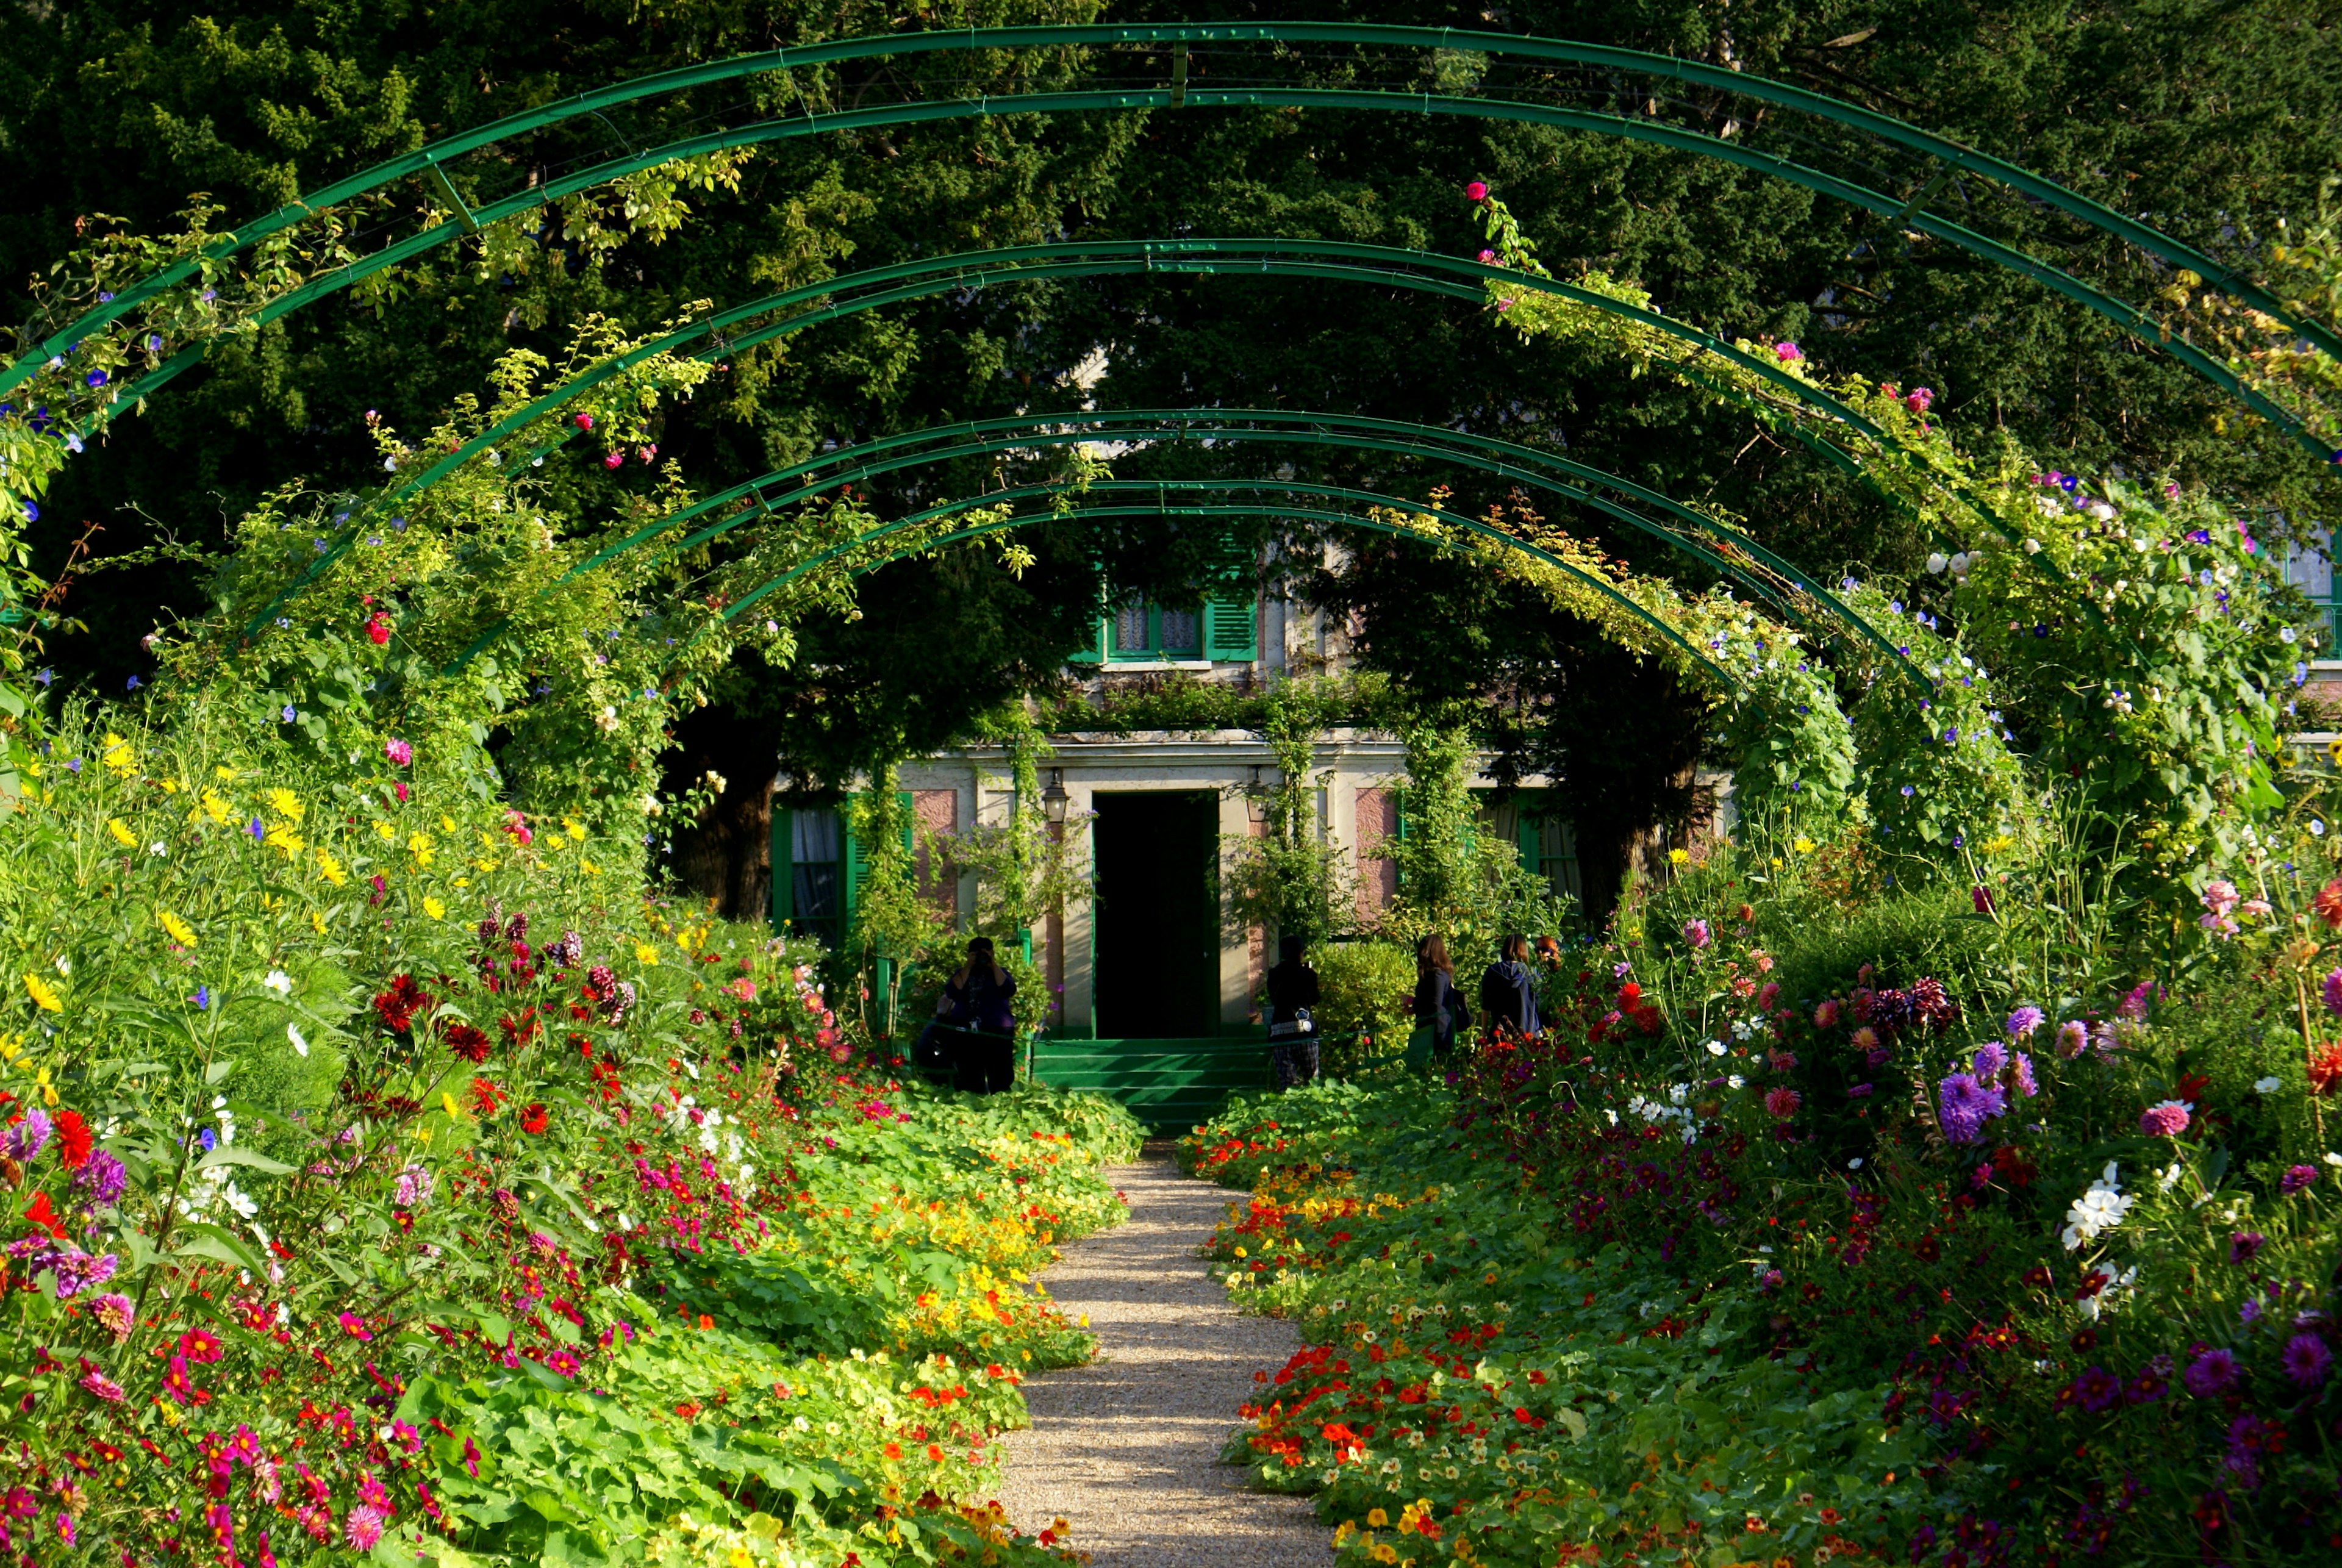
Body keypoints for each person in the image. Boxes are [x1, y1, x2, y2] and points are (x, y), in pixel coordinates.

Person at [944, 936, 1018, 1094]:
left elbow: (1008, 990)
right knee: (969, 1071)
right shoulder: (962, 973)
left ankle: (1001, 1100)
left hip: (996, 1028)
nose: (981, 957)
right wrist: (968, 966)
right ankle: (973, 1101)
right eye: (977, 954)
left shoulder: (1001, 972)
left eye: (986, 953)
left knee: (1000, 1072)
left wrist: (993, 964)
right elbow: (952, 992)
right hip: (967, 1029)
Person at [1264, 934, 1322, 1088]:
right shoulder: (1308, 974)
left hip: (1280, 1032)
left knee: (1287, 1084)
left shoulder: (1274, 974)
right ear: (1301, 952)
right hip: (1305, 1031)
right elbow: (1315, 999)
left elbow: (1274, 999)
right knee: (1313, 1081)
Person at [1413, 934, 1469, 1062]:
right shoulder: (1431, 975)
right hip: (1428, 1030)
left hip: (1438, 1033)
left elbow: (1436, 1005)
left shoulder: (1437, 975)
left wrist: (1414, 1003)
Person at [1478, 933, 1542, 1039]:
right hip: (1528, 1035)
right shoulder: (1533, 974)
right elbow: (1540, 1006)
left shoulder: (1492, 972)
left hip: (1501, 1035)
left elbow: (1486, 1005)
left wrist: (1484, 1032)